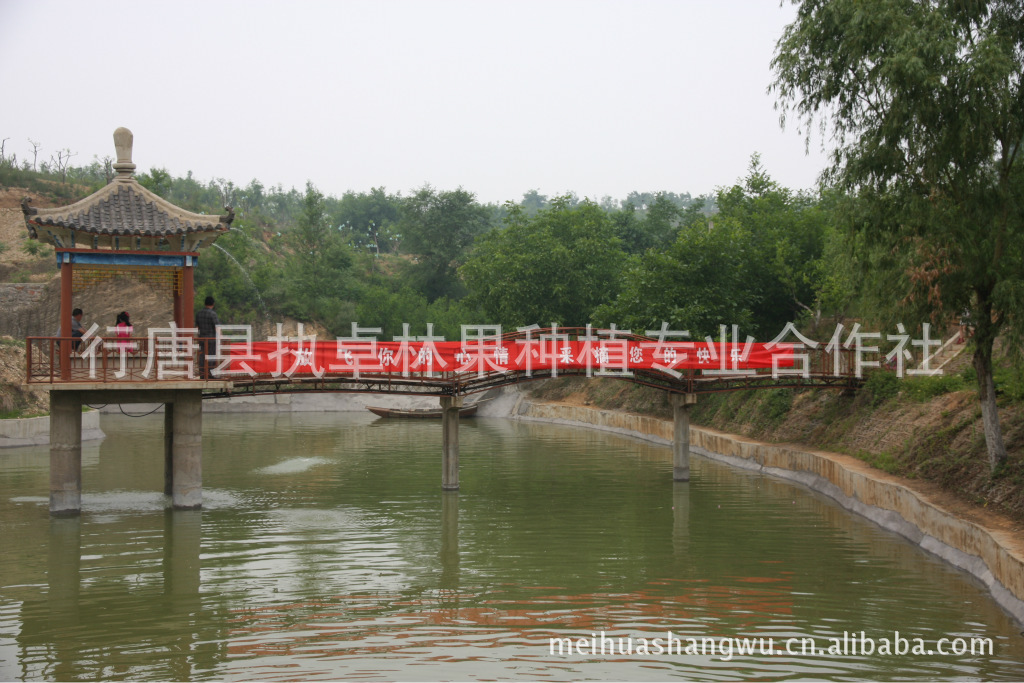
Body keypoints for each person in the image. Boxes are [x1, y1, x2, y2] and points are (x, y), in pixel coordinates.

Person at [195, 296, 221, 378]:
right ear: (213, 304)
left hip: (202, 339)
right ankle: (210, 374)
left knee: (202, 356)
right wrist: (221, 337)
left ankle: (202, 374)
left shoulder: (199, 313)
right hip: (211, 340)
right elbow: (217, 327)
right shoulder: (213, 314)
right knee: (211, 356)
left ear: (205, 303)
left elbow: (197, 327)